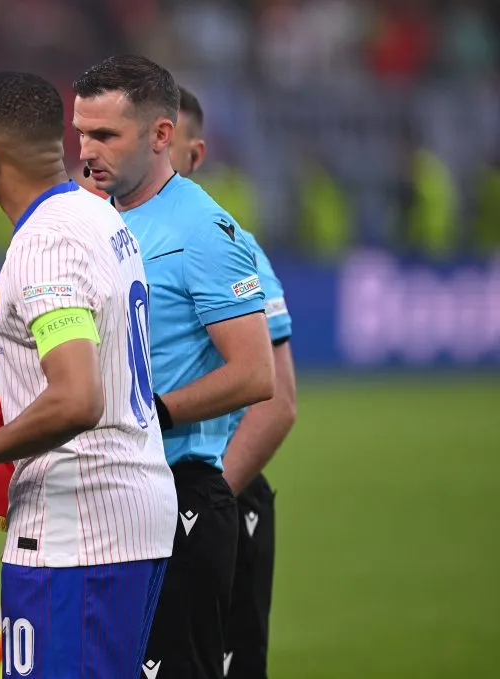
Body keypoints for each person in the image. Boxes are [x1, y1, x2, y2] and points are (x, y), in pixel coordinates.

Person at [0, 70, 179, 679]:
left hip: (79, 533)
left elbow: (77, 398)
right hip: (126, 516)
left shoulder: (45, 245)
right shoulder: (96, 217)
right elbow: (80, 361)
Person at [72, 55, 275, 679]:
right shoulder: (85, 217)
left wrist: (149, 412)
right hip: (101, 491)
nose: (86, 149)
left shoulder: (204, 231)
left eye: (105, 135)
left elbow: (255, 375)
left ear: (162, 136)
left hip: (178, 493)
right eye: (80, 132)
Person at [171, 86, 298, 679]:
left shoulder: (227, 247)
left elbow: (276, 401)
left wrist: (204, 505)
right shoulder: (106, 245)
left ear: (192, 155)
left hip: (211, 496)